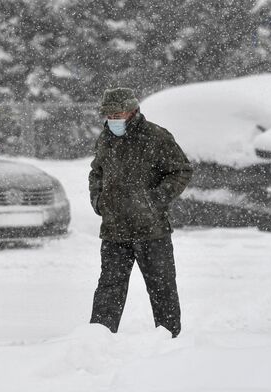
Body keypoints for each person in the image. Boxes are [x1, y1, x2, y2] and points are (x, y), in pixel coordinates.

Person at [88, 87, 193, 338]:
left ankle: (169, 341)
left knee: (162, 288)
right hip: (114, 230)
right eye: (108, 115)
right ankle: (97, 341)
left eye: (118, 113)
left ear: (133, 111)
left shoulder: (156, 137)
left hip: (152, 230)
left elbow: (181, 171)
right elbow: (96, 172)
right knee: (109, 288)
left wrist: (155, 199)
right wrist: (99, 201)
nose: (113, 119)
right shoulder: (105, 138)